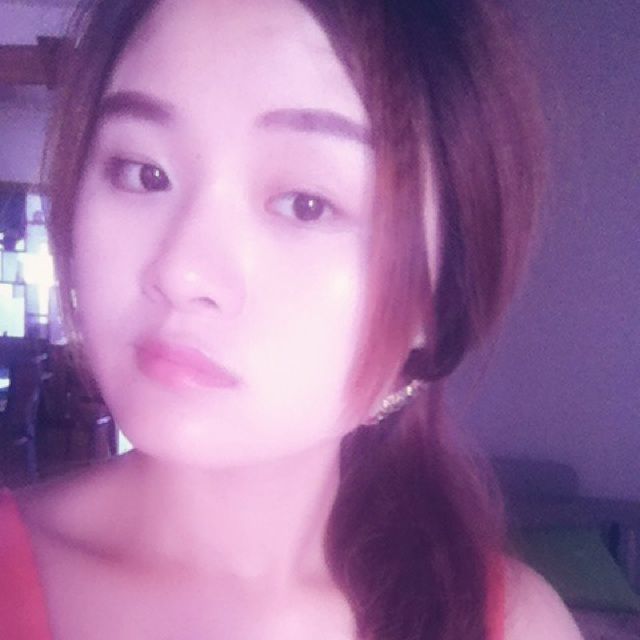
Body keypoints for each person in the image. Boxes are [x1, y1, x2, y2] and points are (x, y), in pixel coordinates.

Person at [0, 0, 584, 638]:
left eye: (306, 204)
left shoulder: (510, 624)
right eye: (144, 173)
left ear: (435, 297)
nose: (180, 271)